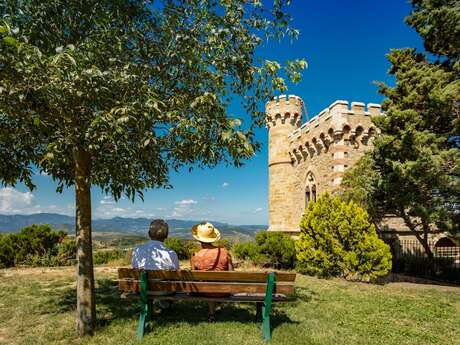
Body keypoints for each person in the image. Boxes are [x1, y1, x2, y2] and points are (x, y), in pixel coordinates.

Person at [190, 222, 233, 322]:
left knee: (208, 286)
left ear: (199, 239)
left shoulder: (195, 255)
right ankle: (214, 308)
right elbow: (231, 273)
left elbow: (194, 277)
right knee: (214, 285)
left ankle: (211, 313)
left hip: (204, 291)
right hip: (224, 291)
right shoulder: (225, 252)